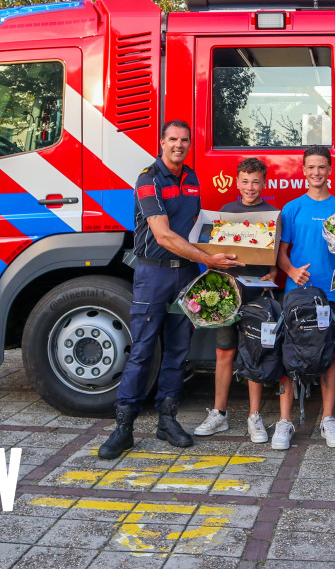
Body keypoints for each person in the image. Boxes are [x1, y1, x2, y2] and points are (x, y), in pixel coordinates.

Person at [98, 120, 242, 460]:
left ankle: (167, 420)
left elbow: (195, 227)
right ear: (162, 142)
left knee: (179, 351)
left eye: (185, 140)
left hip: (186, 277)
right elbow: (162, 235)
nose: (179, 145)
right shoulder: (148, 179)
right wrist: (210, 259)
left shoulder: (191, 178)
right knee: (144, 350)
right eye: (173, 139)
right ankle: (124, 428)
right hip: (154, 275)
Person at [193, 157, 285, 444]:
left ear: (264, 183)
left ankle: (254, 417)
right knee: (224, 352)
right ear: (236, 182)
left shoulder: (273, 214)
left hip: (258, 296)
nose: (250, 187)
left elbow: (277, 258)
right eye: (245, 181)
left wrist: (273, 270)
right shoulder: (226, 212)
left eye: (256, 181)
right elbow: (216, 254)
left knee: (254, 353)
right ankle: (219, 413)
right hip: (228, 295)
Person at [274, 145, 335, 450]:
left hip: (329, 297)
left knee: (329, 356)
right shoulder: (292, 209)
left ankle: (328, 419)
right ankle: (284, 422)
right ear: (303, 171)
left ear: (330, 170)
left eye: (322, 167)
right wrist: (292, 272)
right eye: (311, 167)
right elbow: (280, 255)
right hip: (296, 297)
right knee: (289, 356)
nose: (316, 173)